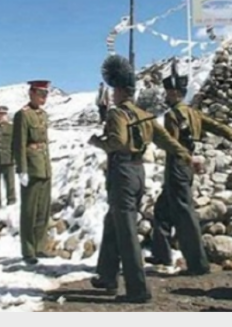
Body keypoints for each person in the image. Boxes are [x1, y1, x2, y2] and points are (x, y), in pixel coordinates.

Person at [87, 55, 202, 303]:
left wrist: (98, 142)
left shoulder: (118, 115)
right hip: (138, 173)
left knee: (126, 230)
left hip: (122, 173)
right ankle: (106, 275)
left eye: (114, 90)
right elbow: (168, 142)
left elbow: (117, 142)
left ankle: (137, 289)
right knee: (113, 221)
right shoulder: (145, 116)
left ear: (119, 91)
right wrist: (188, 157)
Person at [148, 61, 232, 275]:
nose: (166, 96)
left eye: (168, 93)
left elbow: (172, 143)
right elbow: (218, 127)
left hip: (178, 165)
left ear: (175, 93)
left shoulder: (172, 116)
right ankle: (161, 253)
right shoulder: (193, 113)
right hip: (187, 165)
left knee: (184, 214)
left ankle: (197, 264)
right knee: (162, 209)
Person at [13, 81, 53, 264]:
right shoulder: (23, 115)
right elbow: (19, 144)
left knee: (43, 210)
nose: (44, 98)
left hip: (44, 167)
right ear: (32, 94)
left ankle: (40, 246)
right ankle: (28, 250)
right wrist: (22, 169)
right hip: (31, 167)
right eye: (41, 94)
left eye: (46, 94)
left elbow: (44, 143)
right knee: (29, 210)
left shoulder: (43, 115)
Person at [0, 106, 16, 207]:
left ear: (6, 115)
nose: (1, 116)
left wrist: (14, 158)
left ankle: (11, 202)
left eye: (3, 114)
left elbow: (15, 144)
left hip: (8, 159)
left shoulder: (12, 128)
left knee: (10, 183)